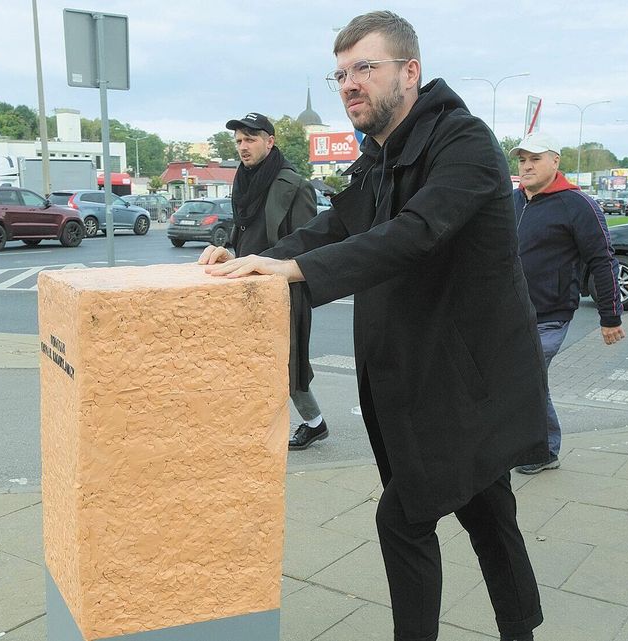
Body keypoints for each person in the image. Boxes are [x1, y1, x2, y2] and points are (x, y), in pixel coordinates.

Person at [200, 11, 545, 641]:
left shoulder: (463, 143)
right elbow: (338, 224)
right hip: (414, 377)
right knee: (488, 511)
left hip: (468, 381)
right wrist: (258, 259)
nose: (350, 83)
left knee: (405, 519)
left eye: (365, 68)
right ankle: (521, 630)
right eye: (340, 74)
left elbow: (415, 233)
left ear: (410, 72)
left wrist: (296, 271)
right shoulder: (381, 156)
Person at [510, 132, 625, 474]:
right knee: (526, 379)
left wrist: (611, 316)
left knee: (524, 378)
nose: (527, 166)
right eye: (522, 160)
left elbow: (603, 261)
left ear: (555, 161)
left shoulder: (578, 204)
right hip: (509, 311)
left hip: (549, 314)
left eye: (535, 158)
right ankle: (541, 446)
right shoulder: (512, 200)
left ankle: (541, 449)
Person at [221, 111, 328, 450]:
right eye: (238, 140)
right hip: (247, 281)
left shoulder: (293, 185)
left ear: (270, 141)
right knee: (255, 358)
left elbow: (308, 241)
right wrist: (229, 254)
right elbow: (241, 233)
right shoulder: (243, 179)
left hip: (284, 287)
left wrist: (272, 266)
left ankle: (313, 423)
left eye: (250, 138)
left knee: (288, 362)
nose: (243, 146)